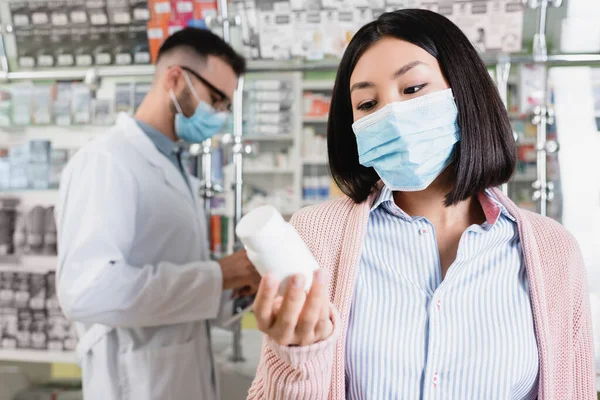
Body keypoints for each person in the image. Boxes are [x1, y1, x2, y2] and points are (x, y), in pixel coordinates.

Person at [248, 9, 595, 399]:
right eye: (366, 104)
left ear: (464, 93)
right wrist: (295, 358)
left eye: (412, 89)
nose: (391, 114)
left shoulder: (553, 251)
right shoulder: (316, 237)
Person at [56, 28, 261, 400]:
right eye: (216, 100)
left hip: (175, 372)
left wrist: (236, 288)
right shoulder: (106, 161)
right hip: (131, 379)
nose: (220, 116)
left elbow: (172, 273)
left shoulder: (172, 163)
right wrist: (217, 274)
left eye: (226, 106)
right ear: (175, 78)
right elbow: (86, 290)